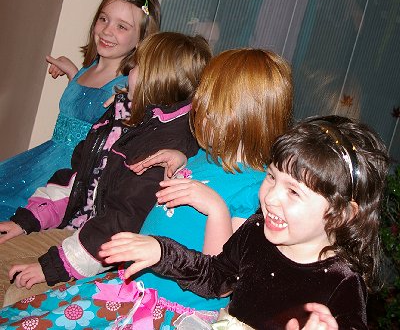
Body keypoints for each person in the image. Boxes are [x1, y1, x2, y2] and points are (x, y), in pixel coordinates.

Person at [0, 48, 293, 329]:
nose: (198, 112)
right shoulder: (205, 156)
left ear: (244, 115)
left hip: (165, 309)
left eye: (209, 106)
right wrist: (179, 159)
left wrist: (215, 208)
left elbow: (218, 279)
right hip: (131, 286)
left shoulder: (255, 187)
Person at [99, 115, 389, 329]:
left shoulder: (342, 282)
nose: (270, 197)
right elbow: (215, 278)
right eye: (272, 177)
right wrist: (162, 253)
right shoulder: (255, 230)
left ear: (340, 215)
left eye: (293, 191)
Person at [0, 31, 211, 308]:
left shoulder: (165, 146)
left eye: (136, 67)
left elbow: (122, 223)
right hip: (81, 233)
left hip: (106, 257)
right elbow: (79, 178)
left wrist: (51, 267)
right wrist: (26, 222)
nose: (127, 72)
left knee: (19, 293)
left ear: (158, 78)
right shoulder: (122, 115)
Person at [0, 0, 161, 221]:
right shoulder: (86, 70)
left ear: (141, 40)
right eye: (103, 19)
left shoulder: (129, 85)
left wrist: (134, 96)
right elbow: (84, 107)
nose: (107, 30)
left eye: (122, 26)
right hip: (42, 159)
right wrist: (73, 74)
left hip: (70, 175)